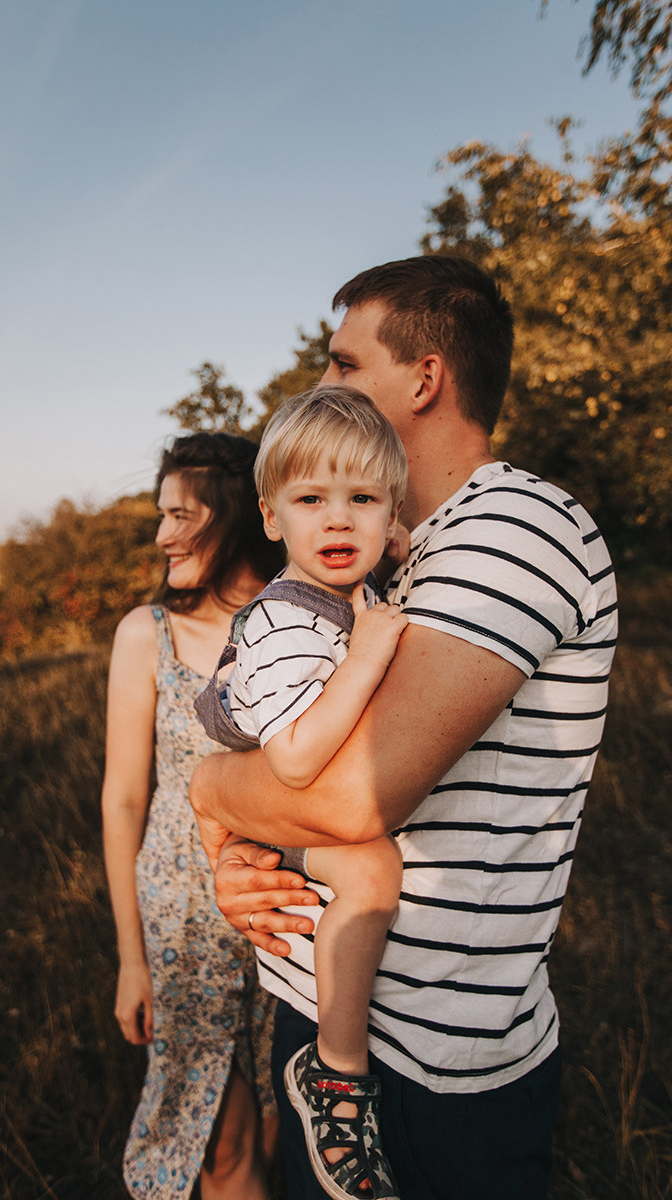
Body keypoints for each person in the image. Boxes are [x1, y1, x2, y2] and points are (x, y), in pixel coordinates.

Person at [189, 255, 619, 1200]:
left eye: (344, 365)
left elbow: (353, 798)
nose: (322, 384)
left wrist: (207, 791)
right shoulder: (379, 567)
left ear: (424, 379)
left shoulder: (513, 527)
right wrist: (244, 849)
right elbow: (297, 768)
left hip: (435, 1056)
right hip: (322, 1013)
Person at [195, 387, 410, 1200]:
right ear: (271, 517)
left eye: (363, 501)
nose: (339, 522)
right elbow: (291, 763)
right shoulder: (288, 623)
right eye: (312, 500)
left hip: (285, 803)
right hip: (278, 805)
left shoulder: (345, 592)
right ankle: (338, 1074)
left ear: (391, 516)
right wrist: (369, 653)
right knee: (371, 869)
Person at [101, 431, 285, 1200]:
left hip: (285, 913)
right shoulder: (148, 634)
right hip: (180, 924)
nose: (160, 534)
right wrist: (132, 958)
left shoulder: (301, 625)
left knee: (282, 1126)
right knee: (218, 1142)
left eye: (181, 514)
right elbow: (123, 798)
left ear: (236, 513)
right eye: (160, 513)